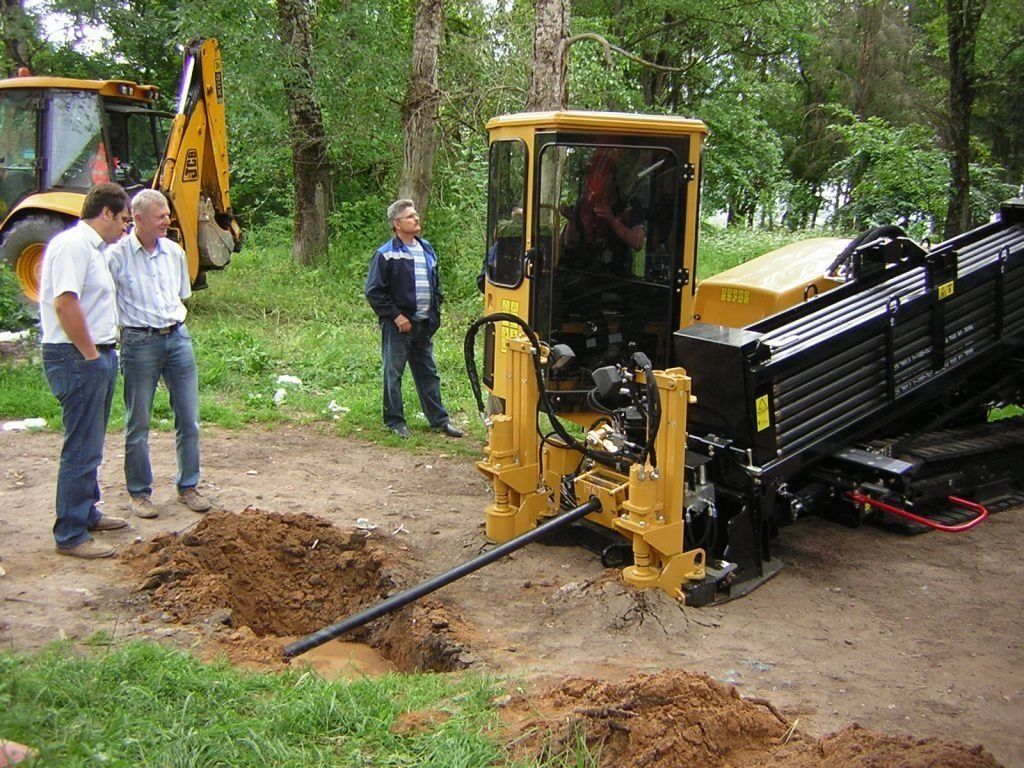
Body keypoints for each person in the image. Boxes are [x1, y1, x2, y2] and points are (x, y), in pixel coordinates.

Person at [39, 182, 131, 559]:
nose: (125, 228)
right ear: (105, 213)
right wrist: (91, 354)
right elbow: (64, 303)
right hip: (76, 357)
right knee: (80, 446)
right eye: (124, 219)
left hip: (95, 355)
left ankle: (86, 512)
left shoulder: (95, 250)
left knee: (91, 444)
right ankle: (71, 533)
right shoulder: (73, 246)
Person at [106, 189, 211, 518]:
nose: (167, 219)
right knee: (138, 422)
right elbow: (106, 302)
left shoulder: (175, 252)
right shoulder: (116, 257)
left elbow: (182, 295)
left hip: (177, 338)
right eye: (161, 215)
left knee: (189, 418)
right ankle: (139, 493)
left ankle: (189, 486)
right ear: (138, 219)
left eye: (167, 214)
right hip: (139, 343)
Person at [364, 199, 463, 439]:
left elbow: (434, 282)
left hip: (423, 325)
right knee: (393, 374)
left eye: (416, 215)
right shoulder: (386, 254)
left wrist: (435, 309)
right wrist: (397, 316)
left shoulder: (426, 248)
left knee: (428, 373)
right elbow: (374, 292)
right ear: (397, 224)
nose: (416, 219)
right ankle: (395, 422)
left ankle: (439, 421)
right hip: (398, 327)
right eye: (410, 216)